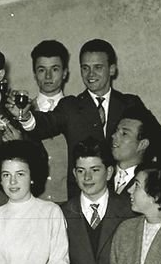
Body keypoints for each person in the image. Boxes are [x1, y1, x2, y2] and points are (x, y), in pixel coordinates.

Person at [12, 39, 149, 198]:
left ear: (112, 69)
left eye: (98, 67)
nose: (91, 74)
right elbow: (45, 124)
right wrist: (25, 116)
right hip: (81, 197)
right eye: (85, 68)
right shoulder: (70, 106)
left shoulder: (130, 103)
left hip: (123, 197)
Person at [61, 138, 134, 264]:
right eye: (81, 171)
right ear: (74, 174)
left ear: (109, 172)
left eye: (95, 170)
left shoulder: (130, 212)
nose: (87, 178)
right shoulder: (60, 214)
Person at [29, 40, 70, 203]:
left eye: (54, 69)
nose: (48, 76)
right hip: (33, 204)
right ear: (34, 74)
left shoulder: (79, 112)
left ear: (65, 72)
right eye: (41, 70)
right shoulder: (22, 114)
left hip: (70, 204)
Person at [111, 106, 161, 195]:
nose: (114, 136)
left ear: (142, 144)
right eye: (116, 131)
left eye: (124, 133)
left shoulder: (156, 182)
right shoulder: (100, 171)